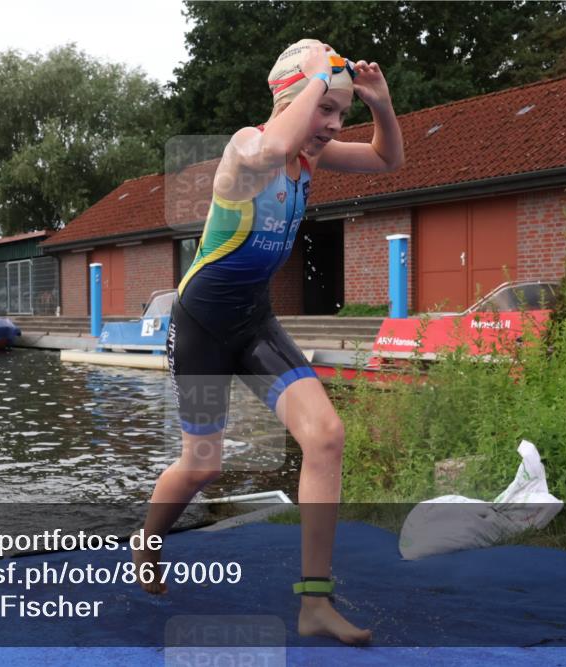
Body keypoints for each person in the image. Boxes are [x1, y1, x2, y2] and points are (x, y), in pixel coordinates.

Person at [134, 39, 404, 644]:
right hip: (201, 329)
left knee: (327, 436)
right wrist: (317, 79)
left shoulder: (311, 156)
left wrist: (380, 104)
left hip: (253, 324)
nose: (332, 126)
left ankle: (314, 603)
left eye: (340, 114)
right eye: (325, 111)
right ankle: (147, 541)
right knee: (202, 465)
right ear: (290, 99)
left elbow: (388, 160)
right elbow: (278, 139)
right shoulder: (247, 148)